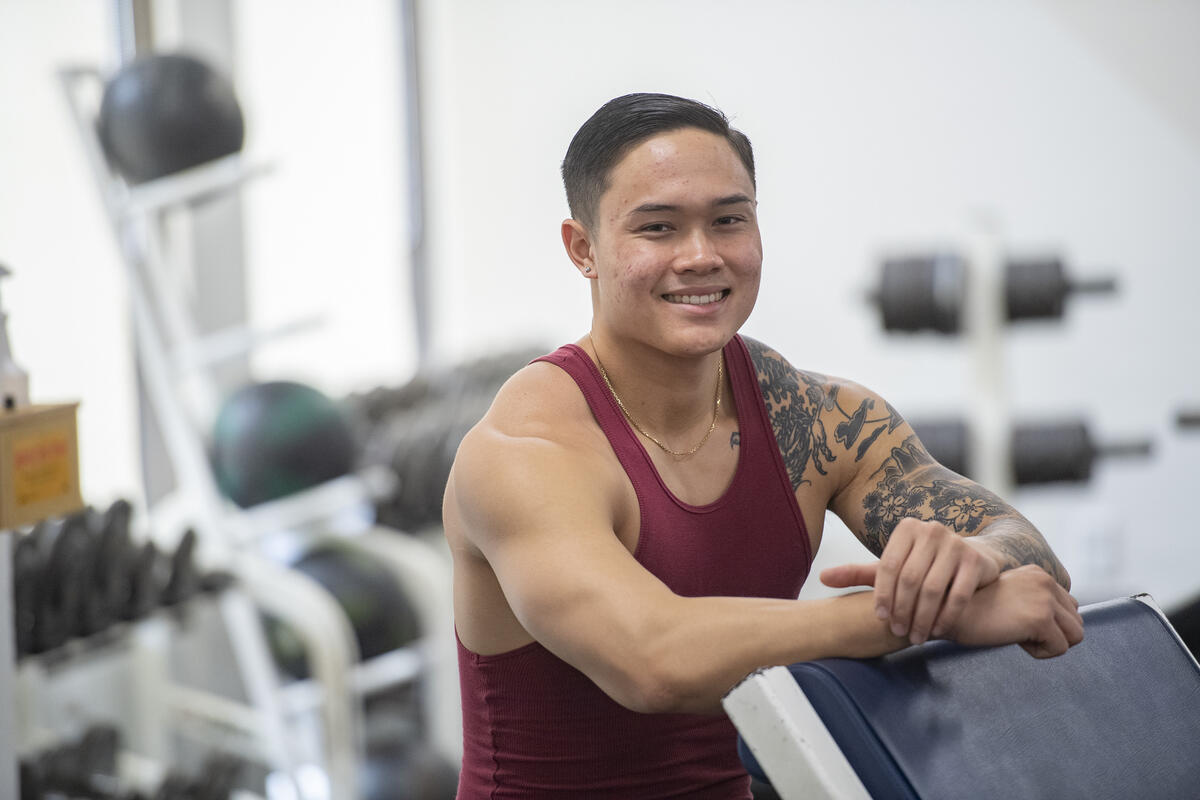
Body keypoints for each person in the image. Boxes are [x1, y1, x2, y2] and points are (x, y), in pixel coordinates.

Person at [443, 92, 1082, 799]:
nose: (701, 256)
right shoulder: (524, 449)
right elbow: (652, 659)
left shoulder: (815, 418)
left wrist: (974, 562)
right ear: (583, 248)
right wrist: (918, 616)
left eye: (728, 221)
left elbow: (1031, 560)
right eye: (657, 228)